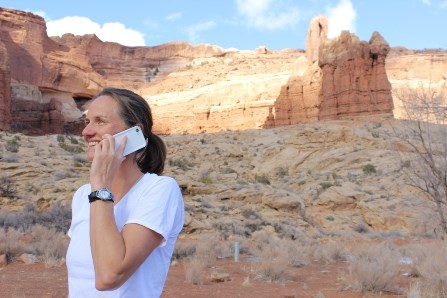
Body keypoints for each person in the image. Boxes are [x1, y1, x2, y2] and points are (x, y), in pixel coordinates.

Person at [66, 87, 184, 297]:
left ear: (135, 132)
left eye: (100, 121)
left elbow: (109, 276)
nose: (86, 132)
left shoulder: (159, 190)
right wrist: (98, 187)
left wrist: (101, 185)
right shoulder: (83, 195)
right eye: (87, 122)